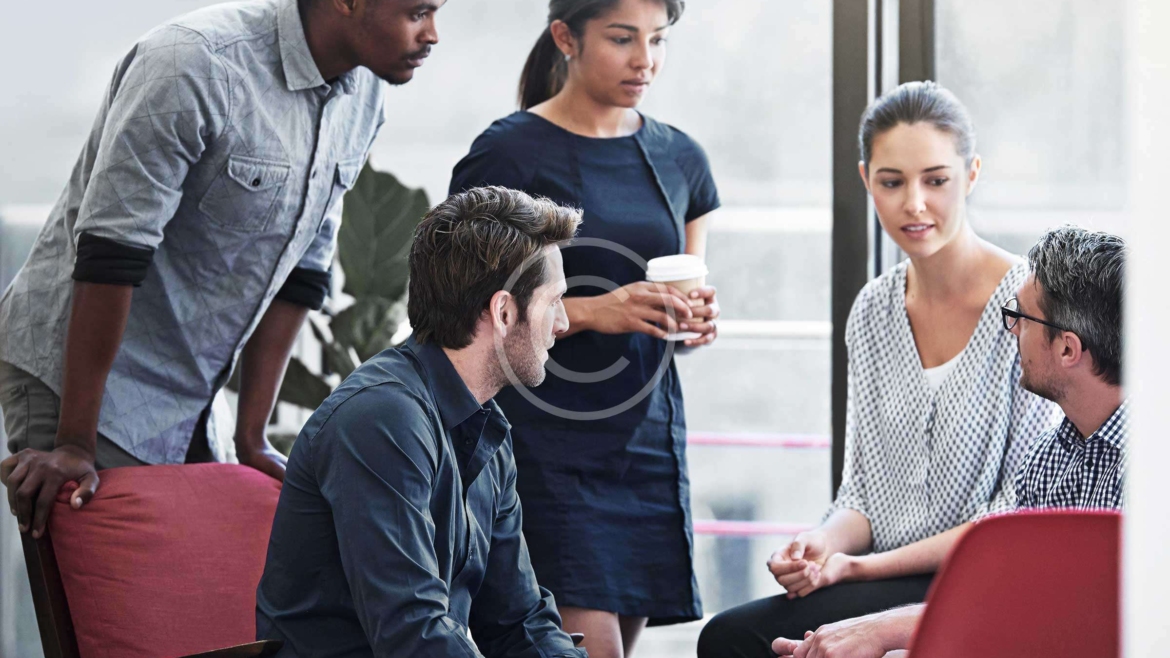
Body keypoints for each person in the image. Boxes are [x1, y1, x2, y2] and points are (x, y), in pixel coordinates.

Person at [0, 0, 445, 538]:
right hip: (82, 382)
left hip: (193, 392)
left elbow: (304, 268)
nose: (433, 35)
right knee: (110, 611)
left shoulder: (364, 92)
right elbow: (113, 250)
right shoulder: (194, 63)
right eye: (418, 11)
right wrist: (74, 442)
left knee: (186, 599)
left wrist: (252, 438)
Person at [696, 81, 1062, 658]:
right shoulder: (872, 309)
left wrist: (860, 569)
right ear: (867, 181)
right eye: (892, 183)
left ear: (971, 175)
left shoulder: (1027, 304)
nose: (914, 203)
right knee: (730, 639)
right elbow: (862, 492)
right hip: (878, 573)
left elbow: (1017, 510)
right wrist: (820, 544)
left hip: (981, 573)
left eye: (935, 180)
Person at [448, 1, 720, 655]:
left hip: (646, 434)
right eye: (622, 39)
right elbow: (463, 306)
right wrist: (600, 309)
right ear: (565, 37)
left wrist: (695, 318)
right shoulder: (507, 152)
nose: (645, 60)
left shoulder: (681, 157)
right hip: (545, 440)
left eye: (658, 40)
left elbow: (688, 278)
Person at [256, 186, 586, 658]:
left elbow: (519, 621)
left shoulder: (485, 427)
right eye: (554, 301)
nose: (564, 323)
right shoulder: (382, 419)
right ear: (503, 311)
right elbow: (412, 632)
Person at [772, 225, 1128, 658]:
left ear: (1069, 350)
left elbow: (1076, 617)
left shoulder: (1144, 467)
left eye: (1021, 317)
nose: (1011, 331)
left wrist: (881, 629)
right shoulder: (1056, 453)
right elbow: (1013, 589)